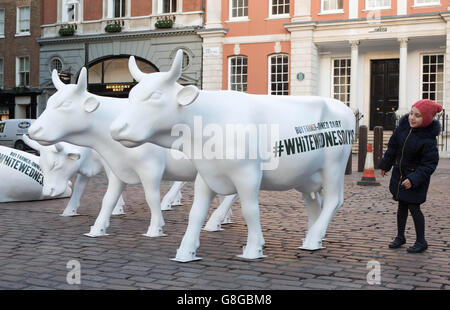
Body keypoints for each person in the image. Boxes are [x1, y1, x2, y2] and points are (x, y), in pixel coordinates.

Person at [379, 99, 442, 253]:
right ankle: (400, 237)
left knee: (414, 208)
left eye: (418, 116)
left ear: (426, 119)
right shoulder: (402, 129)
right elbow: (392, 148)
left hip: (414, 180)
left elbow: (429, 164)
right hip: (400, 176)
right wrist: (385, 164)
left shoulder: (428, 140)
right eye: (412, 113)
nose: (412, 118)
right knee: (401, 206)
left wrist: (413, 179)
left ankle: (421, 241)